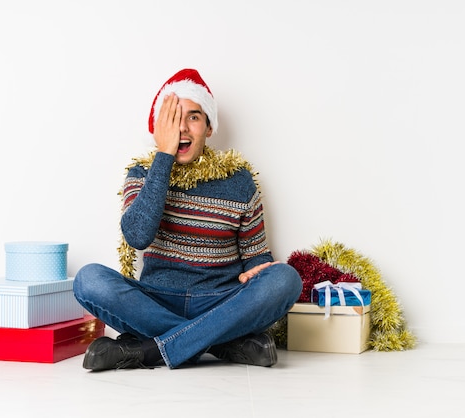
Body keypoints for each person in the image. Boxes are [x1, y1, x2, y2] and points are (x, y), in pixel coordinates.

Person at [73, 68, 302, 371]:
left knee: (285, 279)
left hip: (221, 299)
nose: (182, 128)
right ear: (158, 128)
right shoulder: (142, 174)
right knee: (88, 279)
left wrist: (258, 269)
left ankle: (150, 350)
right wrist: (164, 157)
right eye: (172, 119)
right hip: (156, 300)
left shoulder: (240, 180)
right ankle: (221, 341)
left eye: (193, 117)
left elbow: (255, 255)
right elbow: (138, 235)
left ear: (208, 128)